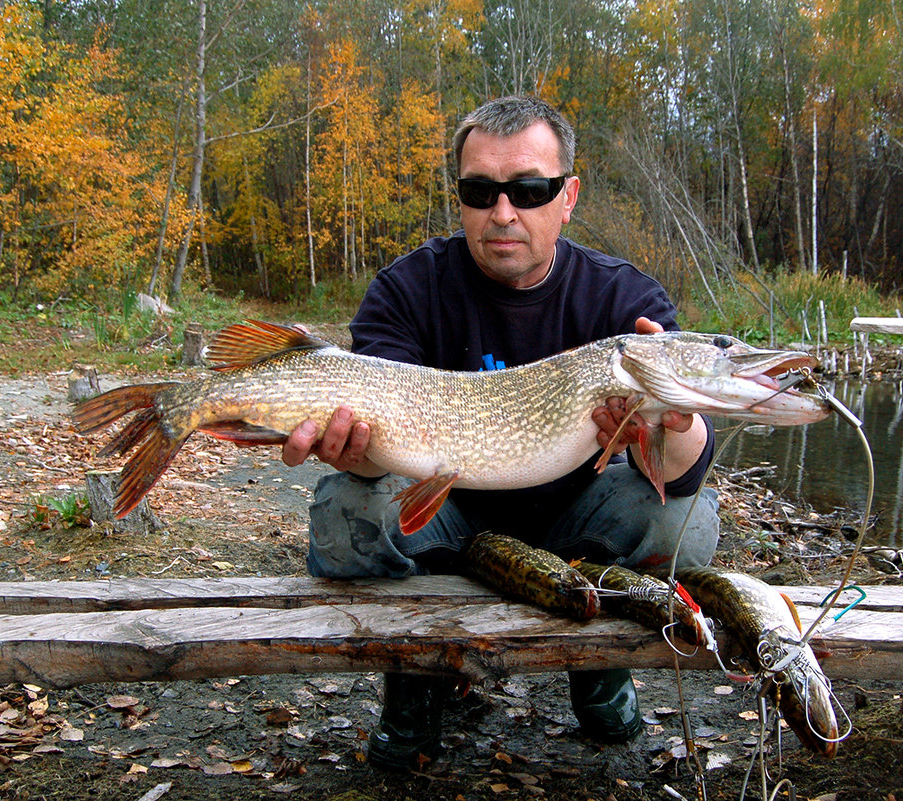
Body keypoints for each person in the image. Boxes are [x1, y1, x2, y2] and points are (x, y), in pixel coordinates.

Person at [281, 95, 719, 770]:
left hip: (578, 519)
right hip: (448, 518)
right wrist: (357, 455)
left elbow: (685, 472)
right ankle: (416, 678)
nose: (503, 211)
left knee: (684, 524)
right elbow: (380, 453)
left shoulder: (624, 304)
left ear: (567, 196)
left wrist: (675, 422)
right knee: (347, 512)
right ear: (460, 197)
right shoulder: (406, 289)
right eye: (480, 190)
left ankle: (597, 665)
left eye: (529, 189)